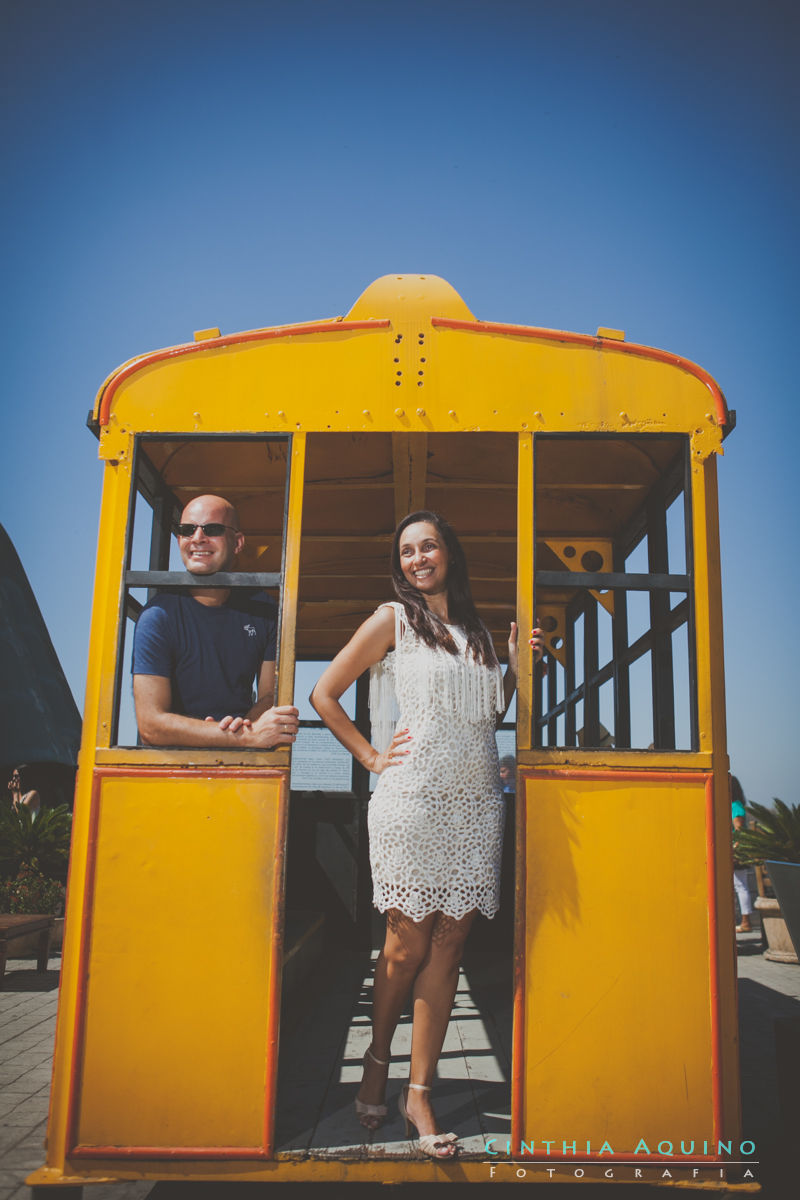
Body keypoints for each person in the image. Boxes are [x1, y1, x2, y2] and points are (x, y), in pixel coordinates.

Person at [310, 510, 543, 1159]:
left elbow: (490, 714)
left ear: (449, 553)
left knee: (448, 948)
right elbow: (324, 693)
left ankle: (418, 1092)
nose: (418, 559)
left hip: (475, 805)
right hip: (411, 801)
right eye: (408, 550)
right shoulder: (393, 619)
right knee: (406, 947)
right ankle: (377, 1061)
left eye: (428, 546)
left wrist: (518, 666)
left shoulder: (477, 633)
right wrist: (371, 756)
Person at [132, 494, 299, 748]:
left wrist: (243, 726)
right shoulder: (157, 616)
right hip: (168, 768)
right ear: (179, 540)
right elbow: (150, 725)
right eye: (187, 530)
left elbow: (270, 695)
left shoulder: (264, 610)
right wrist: (241, 736)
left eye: (212, 529)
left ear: (238, 542)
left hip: (241, 760)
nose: (198, 538)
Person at [731, 775, 754, 934]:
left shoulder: (735, 807)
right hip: (737, 851)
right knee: (739, 885)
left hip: (737, 852)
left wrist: (733, 849)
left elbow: (739, 831)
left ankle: (745, 921)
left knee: (740, 885)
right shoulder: (736, 805)